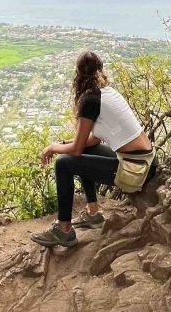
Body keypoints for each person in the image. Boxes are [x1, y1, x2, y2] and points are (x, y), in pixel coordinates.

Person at [31, 50, 157, 247]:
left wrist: (52, 148)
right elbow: (92, 141)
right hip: (146, 162)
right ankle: (93, 212)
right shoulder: (107, 92)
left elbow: (78, 148)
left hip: (136, 171)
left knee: (63, 163)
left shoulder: (90, 100)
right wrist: (65, 144)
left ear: (78, 74)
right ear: (100, 69)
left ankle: (63, 230)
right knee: (81, 155)